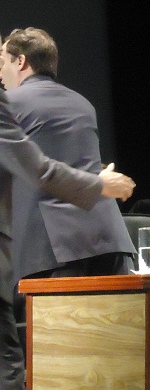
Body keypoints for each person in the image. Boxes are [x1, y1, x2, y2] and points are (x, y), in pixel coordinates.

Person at [0, 87, 135, 390]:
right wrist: (100, 183)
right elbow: (38, 169)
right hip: (97, 242)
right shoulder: (79, 102)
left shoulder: (18, 101)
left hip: (47, 252)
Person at [0, 28, 135, 281]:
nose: (0, 73)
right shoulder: (83, 103)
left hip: (51, 250)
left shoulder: (9, 103)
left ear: (20, 61)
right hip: (108, 240)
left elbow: (39, 170)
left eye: (3, 62)